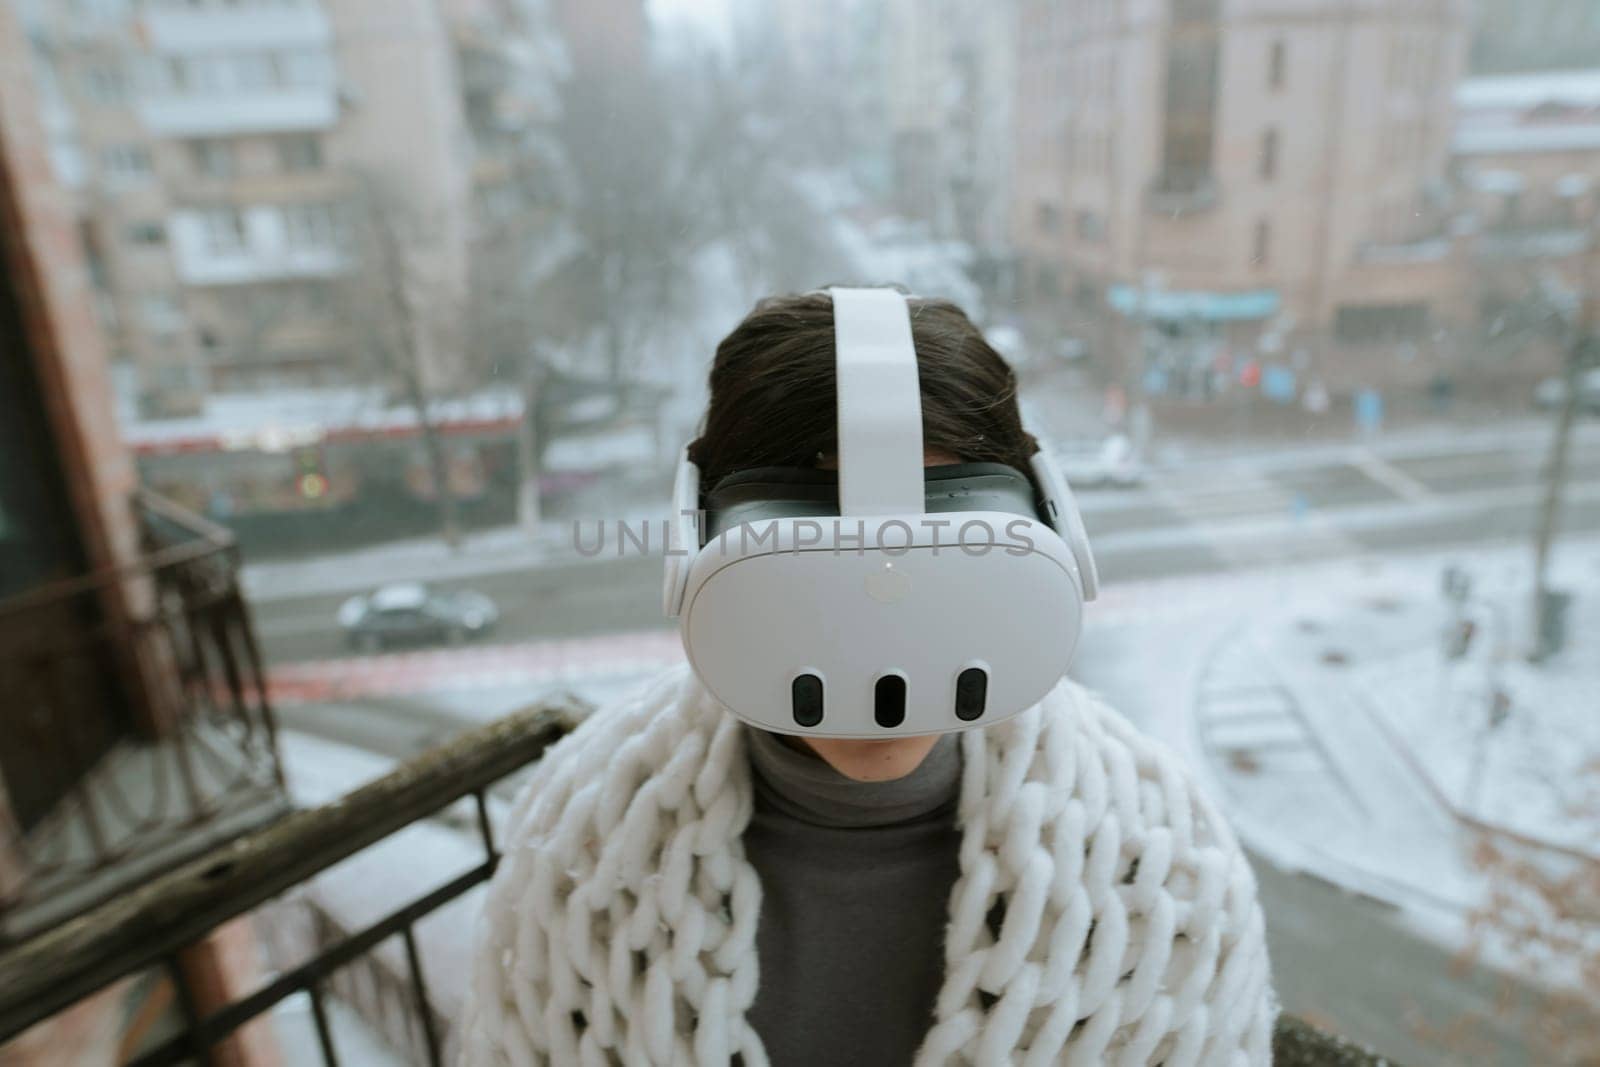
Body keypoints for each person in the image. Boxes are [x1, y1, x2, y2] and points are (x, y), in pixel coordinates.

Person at [459, 291, 1276, 1066]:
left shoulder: (1163, 868)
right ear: (697, 546)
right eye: (814, 581)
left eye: (944, 570)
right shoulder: (581, 851)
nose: (882, 658)